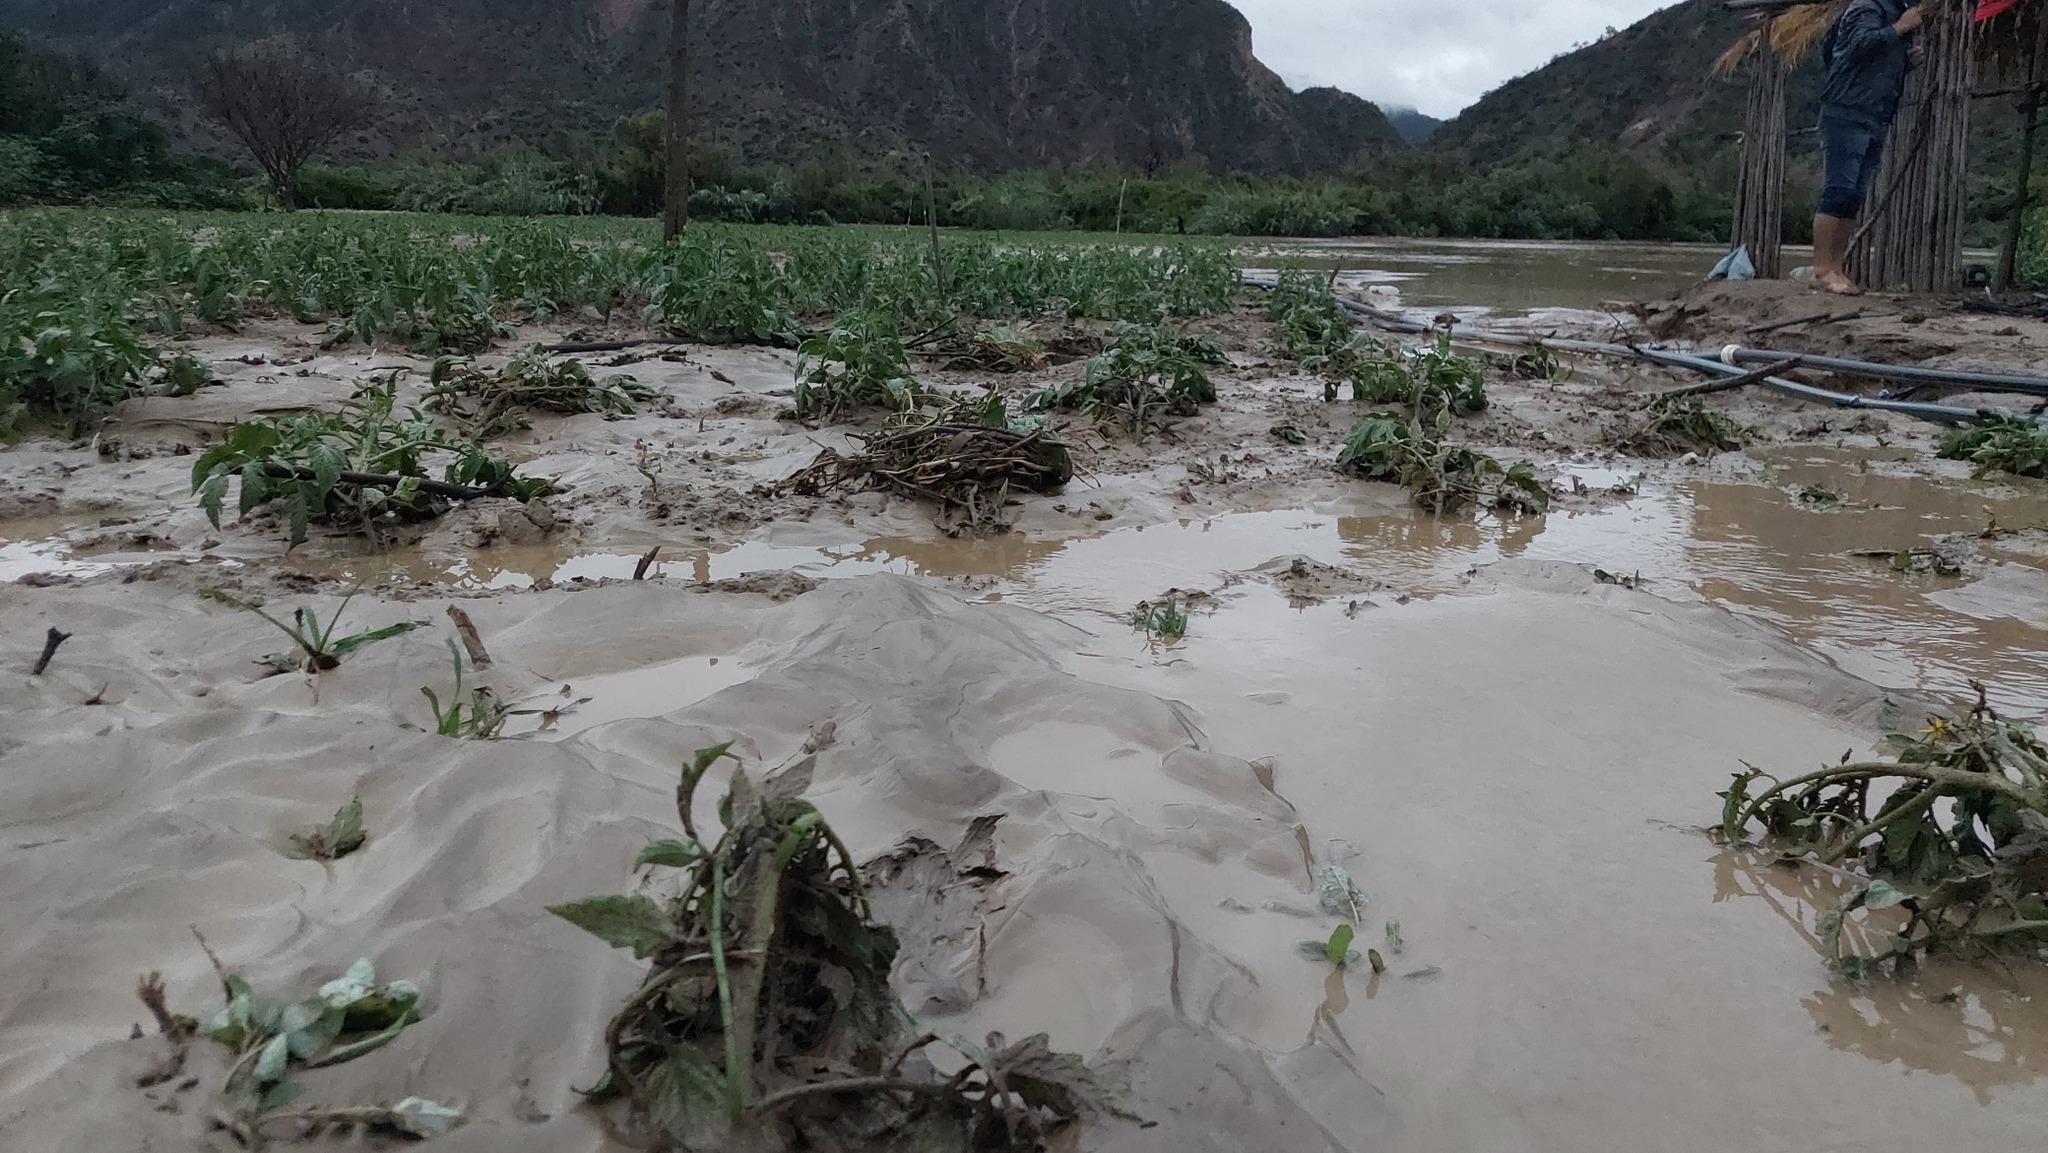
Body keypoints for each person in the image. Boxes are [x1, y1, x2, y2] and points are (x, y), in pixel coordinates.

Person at [1813, 0, 1925, 295]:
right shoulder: (1867, 8)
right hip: (1847, 110)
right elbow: (1858, 47)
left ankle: (1837, 268)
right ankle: (1823, 269)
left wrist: (1905, 60)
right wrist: (1900, 28)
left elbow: (1870, 61)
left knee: (1854, 196)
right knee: (1839, 190)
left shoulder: (1889, 11)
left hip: (1874, 114)